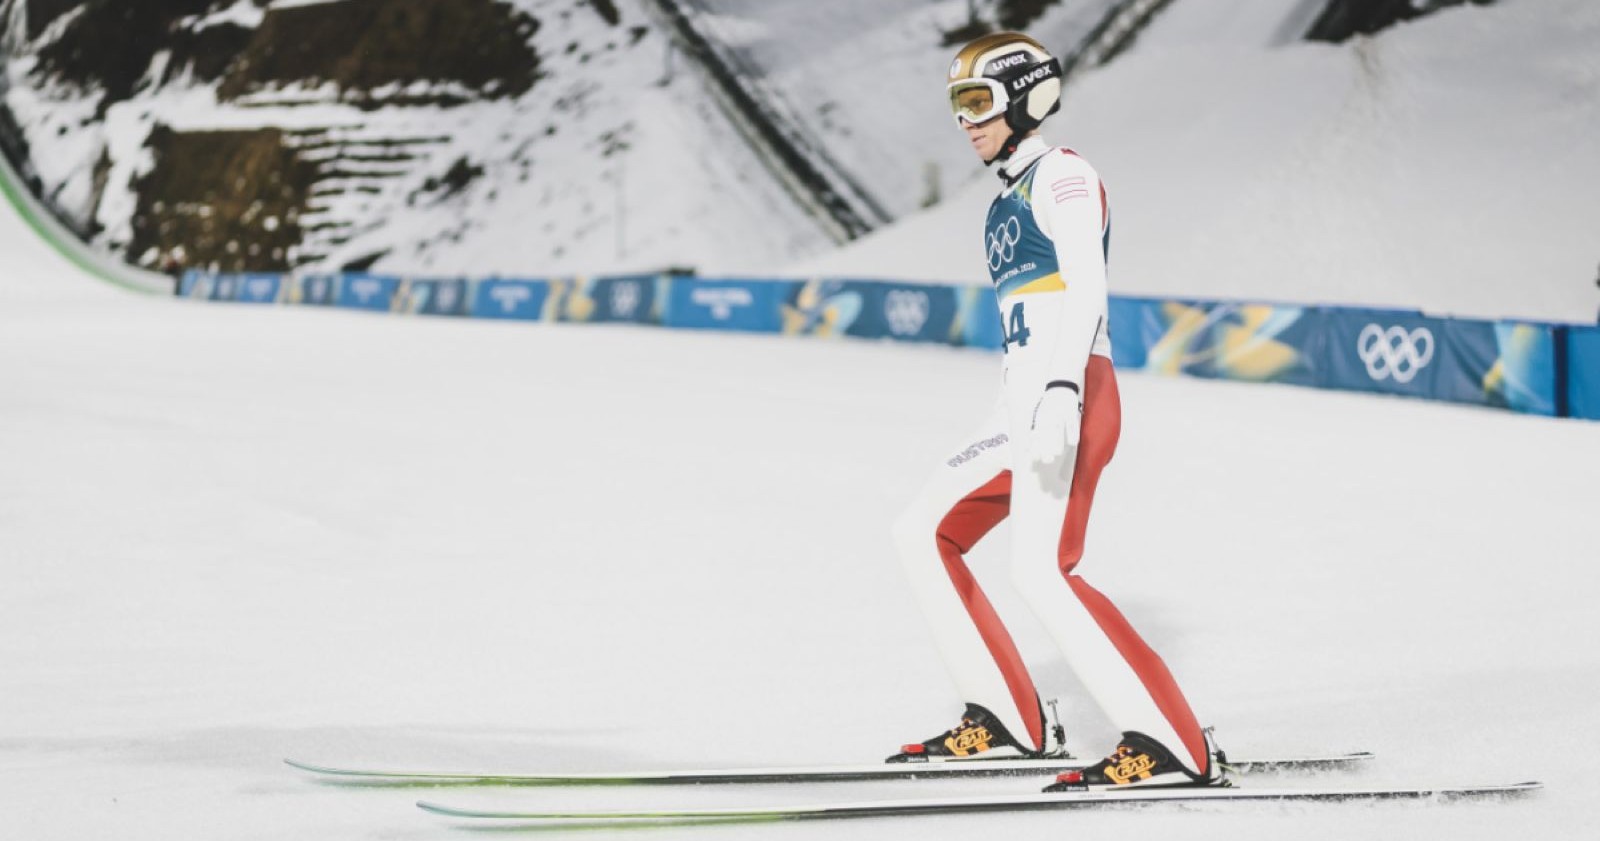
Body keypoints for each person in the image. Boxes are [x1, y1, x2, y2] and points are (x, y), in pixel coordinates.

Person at [886, 32, 1224, 792]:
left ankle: (1173, 744)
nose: (966, 121)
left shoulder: (1062, 174)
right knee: (921, 533)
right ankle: (1008, 719)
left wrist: (1062, 390)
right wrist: (1021, 401)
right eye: (957, 105)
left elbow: (1085, 285)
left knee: (1043, 571)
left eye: (978, 101)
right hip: (1022, 402)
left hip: (1069, 394)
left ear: (1024, 97)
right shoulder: (1003, 201)